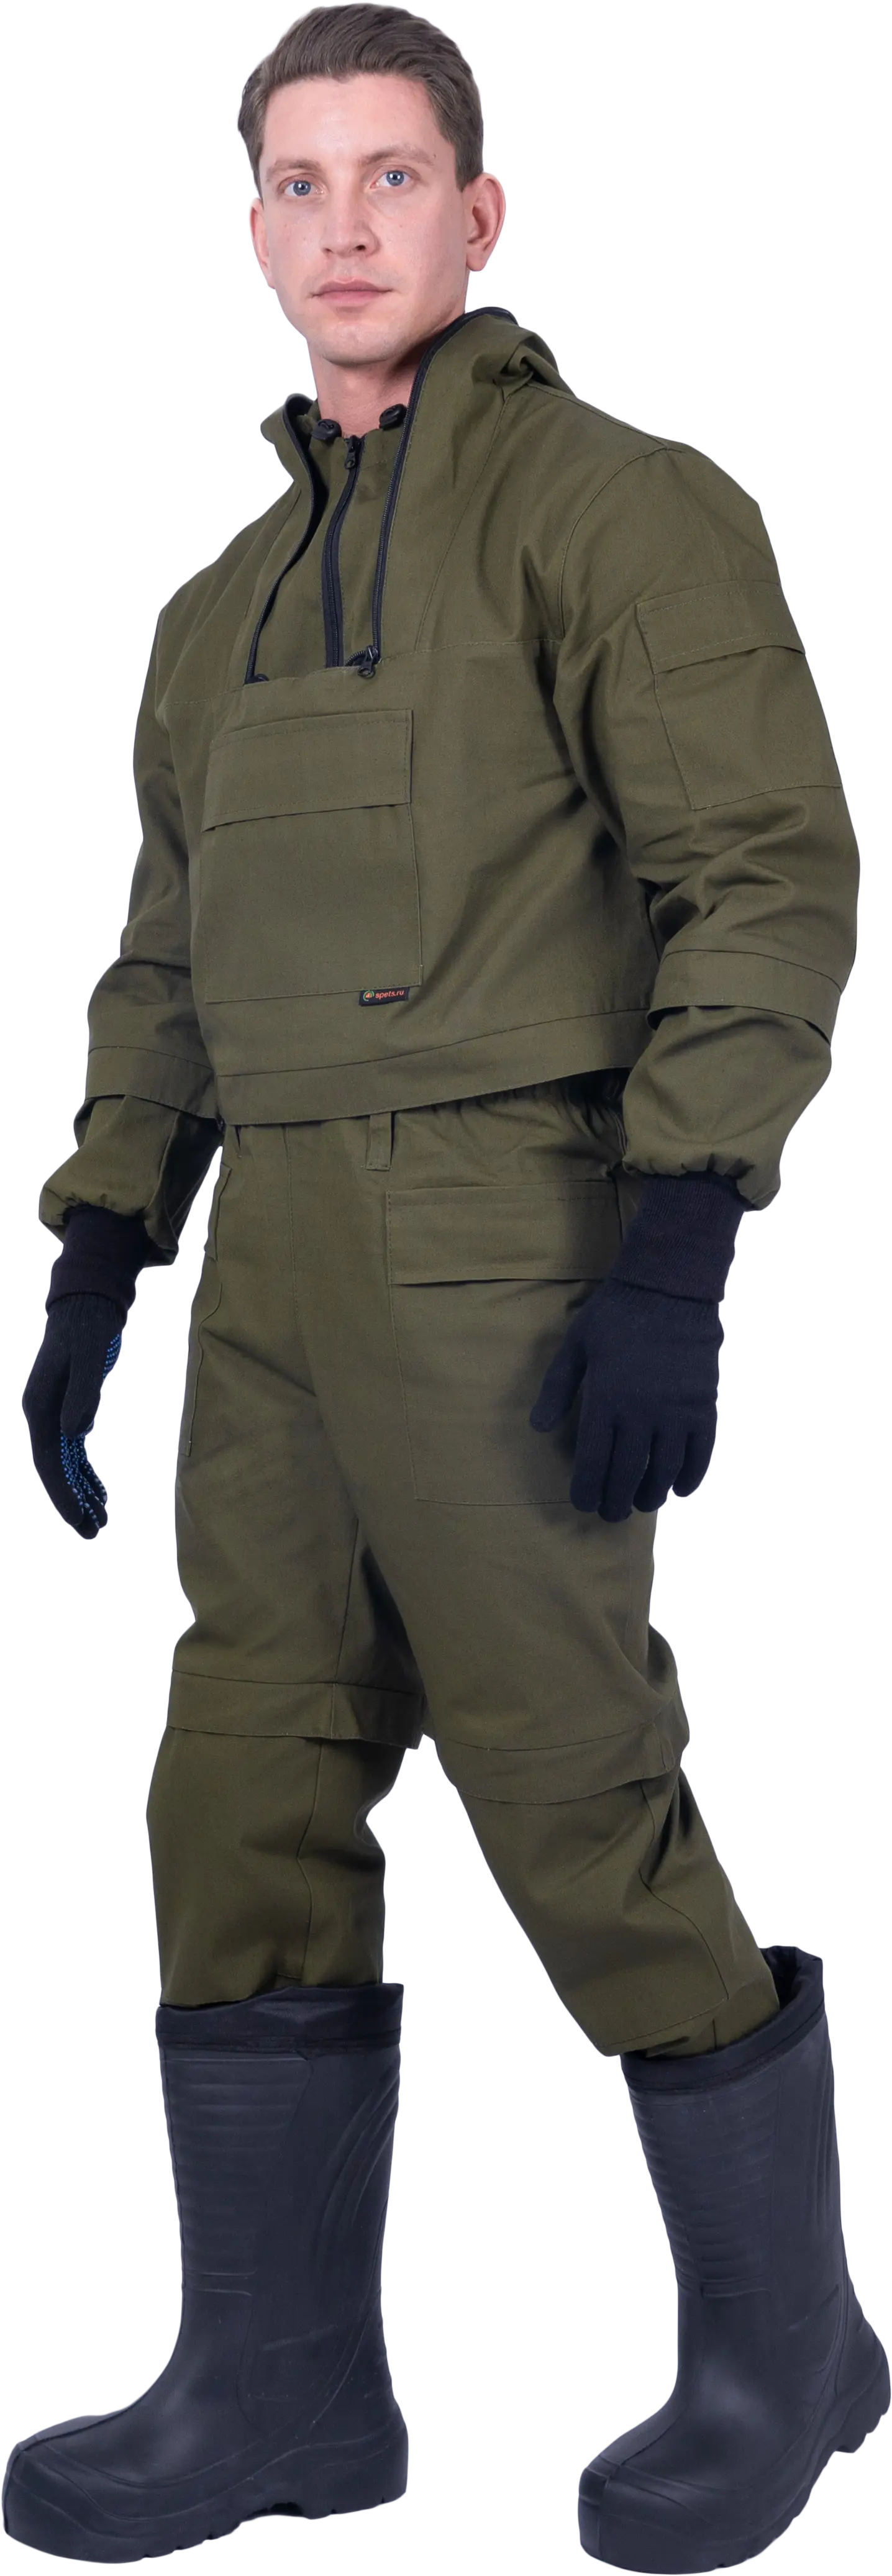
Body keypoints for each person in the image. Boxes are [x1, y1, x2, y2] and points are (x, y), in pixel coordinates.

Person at [6, 6, 888, 2567]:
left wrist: (678, 1245)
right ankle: (279, 2379)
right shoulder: (216, 609)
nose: (347, 223)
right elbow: (163, 958)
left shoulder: (618, 509)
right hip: (269, 1260)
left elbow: (766, 874)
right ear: (253, 228)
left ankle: (787, 2341)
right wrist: (99, 1250)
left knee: (566, 1779)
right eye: (298, 182)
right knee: (239, 1778)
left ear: (477, 212)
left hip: (512, 1228)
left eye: (392, 173)